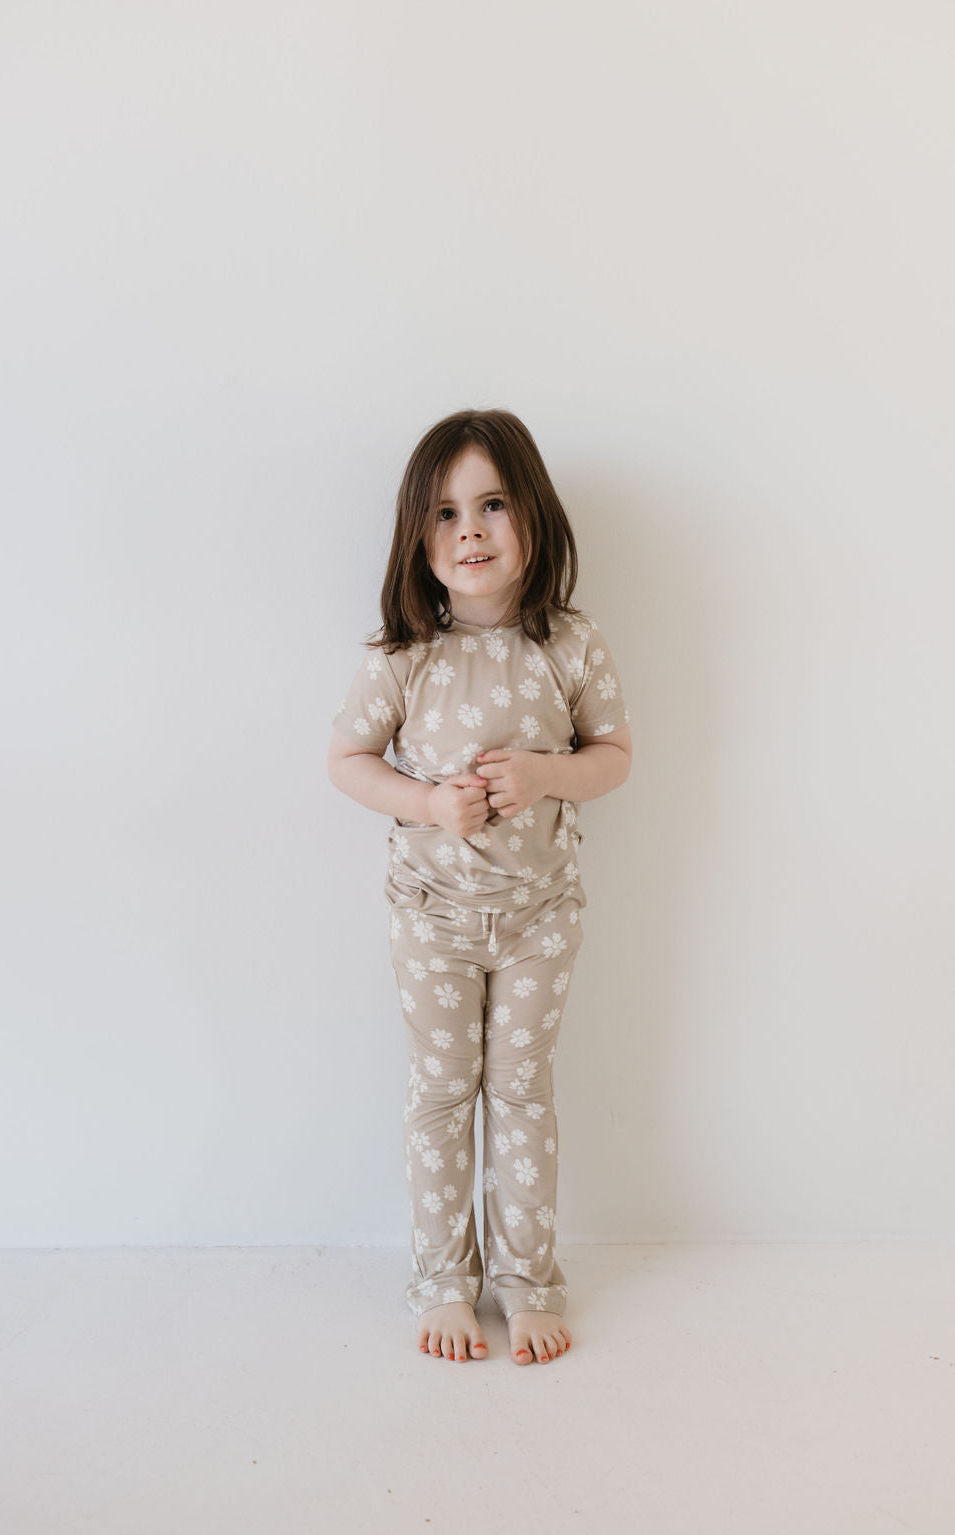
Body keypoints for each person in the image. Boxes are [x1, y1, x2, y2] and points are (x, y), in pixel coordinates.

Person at [327, 408, 632, 1366]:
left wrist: (545, 775)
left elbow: (615, 757)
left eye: (493, 503)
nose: (470, 529)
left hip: (542, 918)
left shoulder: (570, 644)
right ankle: (443, 1280)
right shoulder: (401, 655)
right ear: (419, 538)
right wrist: (426, 804)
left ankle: (529, 1279)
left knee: (523, 1093)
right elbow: (346, 761)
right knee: (441, 1093)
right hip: (434, 920)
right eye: (447, 512)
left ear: (531, 514)